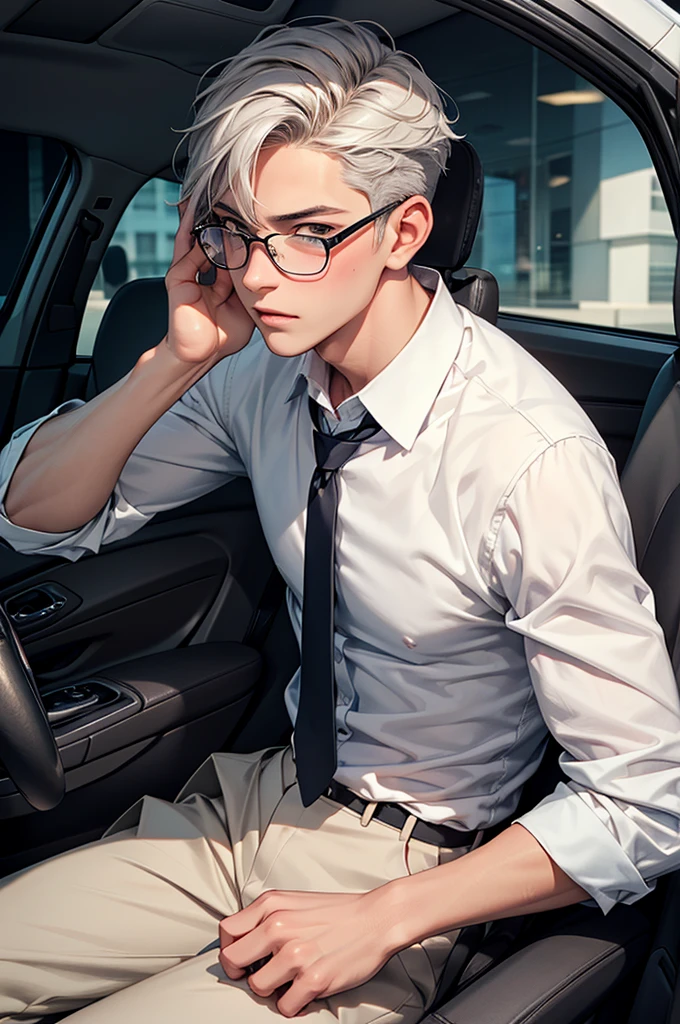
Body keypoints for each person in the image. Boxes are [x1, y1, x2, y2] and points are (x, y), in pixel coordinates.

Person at [0, 16, 679, 1024]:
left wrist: (382, 916)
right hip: (254, 800)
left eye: (309, 234)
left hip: (415, 868)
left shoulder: (523, 456)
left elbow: (643, 805)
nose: (260, 274)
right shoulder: (254, 371)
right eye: (233, 229)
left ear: (401, 232)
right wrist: (177, 358)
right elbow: (32, 517)